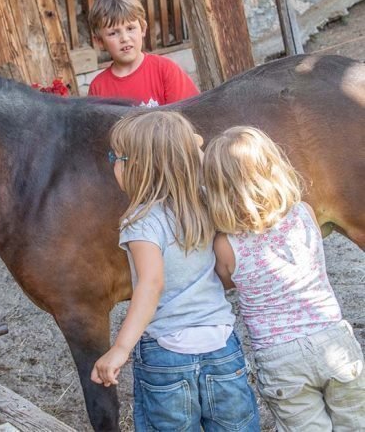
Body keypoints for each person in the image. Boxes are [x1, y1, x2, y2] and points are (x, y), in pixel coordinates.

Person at [91, 111, 260, 431]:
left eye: (117, 156)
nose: (113, 163)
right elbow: (196, 150)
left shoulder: (142, 221)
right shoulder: (205, 203)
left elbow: (151, 284)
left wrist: (120, 349)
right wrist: (184, 143)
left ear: (137, 167)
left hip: (167, 354)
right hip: (221, 345)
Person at [203, 126, 365, 431]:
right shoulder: (304, 213)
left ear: (216, 188)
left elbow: (227, 282)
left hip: (280, 358)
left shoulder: (225, 246)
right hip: (332, 338)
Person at [87, 0, 199, 107]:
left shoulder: (165, 70)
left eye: (130, 28)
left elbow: (188, 116)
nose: (124, 38)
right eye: (113, 33)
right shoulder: (98, 89)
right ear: (99, 41)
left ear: (143, 28)